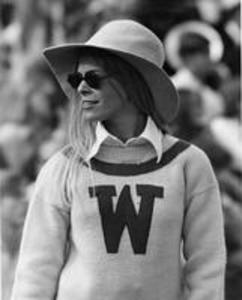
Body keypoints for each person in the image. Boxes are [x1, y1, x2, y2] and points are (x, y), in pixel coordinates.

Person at [11, 19, 226, 300]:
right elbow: (35, 272)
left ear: (131, 80)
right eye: (77, 80)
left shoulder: (188, 164)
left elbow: (207, 268)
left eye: (94, 78)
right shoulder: (63, 168)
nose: (82, 89)